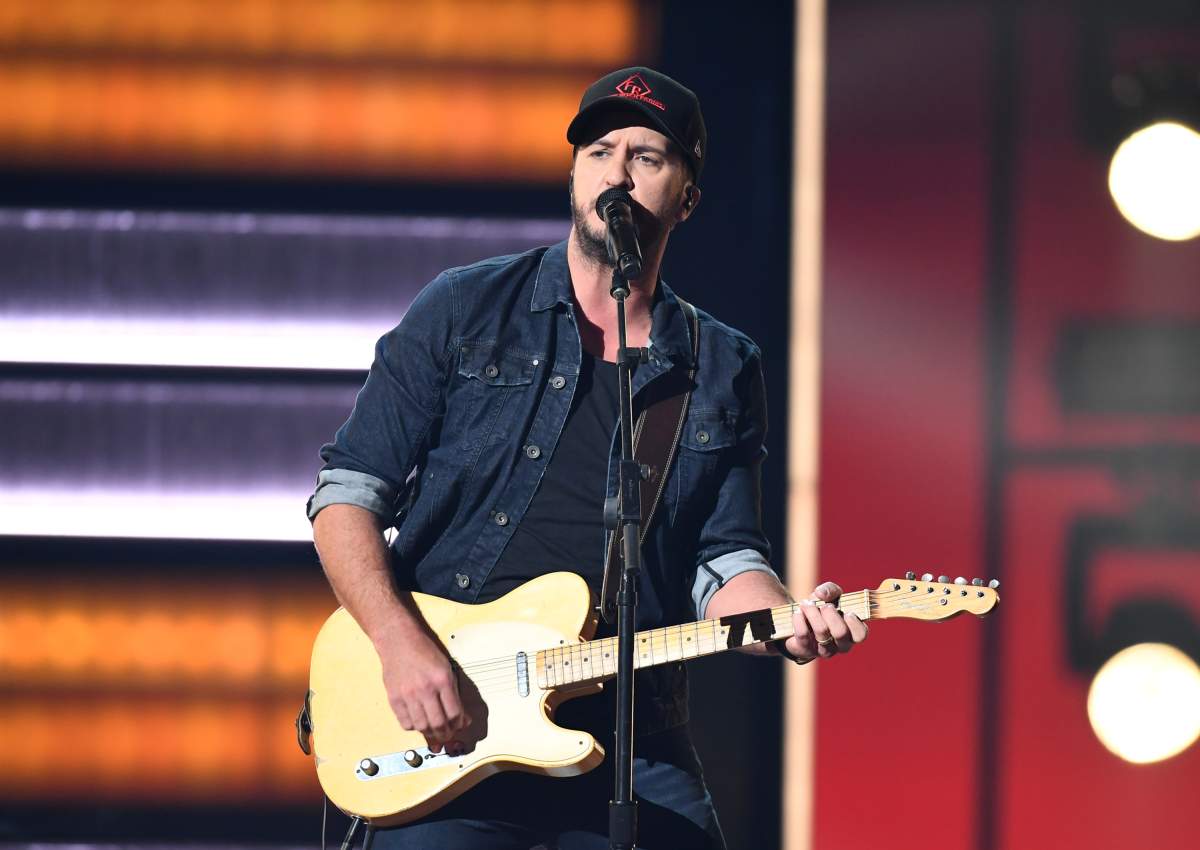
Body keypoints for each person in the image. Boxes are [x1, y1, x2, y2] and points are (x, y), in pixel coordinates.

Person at [307, 66, 868, 850]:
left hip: (630, 725)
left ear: (686, 196)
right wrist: (402, 649)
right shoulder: (465, 308)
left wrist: (782, 620)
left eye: (648, 156)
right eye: (600, 150)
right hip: (452, 709)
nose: (618, 171)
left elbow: (725, 554)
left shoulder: (722, 363)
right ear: (575, 174)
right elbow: (345, 497)